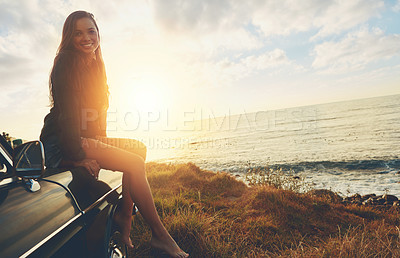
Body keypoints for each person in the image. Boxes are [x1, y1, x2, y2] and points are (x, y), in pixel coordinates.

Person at [40, 10, 189, 257]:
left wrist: (104, 146)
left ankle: (123, 219)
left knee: (137, 148)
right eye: (78, 33)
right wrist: (78, 156)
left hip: (86, 136)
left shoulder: (96, 65)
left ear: (98, 33)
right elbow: (68, 115)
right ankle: (160, 236)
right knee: (135, 163)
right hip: (63, 139)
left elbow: (97, 115)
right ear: (69, 37)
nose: (86, 38)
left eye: (91, 31)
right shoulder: (67, 61)